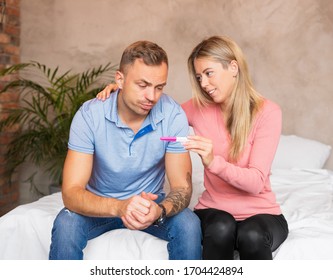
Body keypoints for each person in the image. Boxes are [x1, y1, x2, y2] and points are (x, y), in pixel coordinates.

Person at [97, 35, 289, 260]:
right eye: (199, 77)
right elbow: (158, 113)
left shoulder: (268, 112)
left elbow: (256, 182)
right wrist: (122, 92)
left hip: (262, 213)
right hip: (214, 211)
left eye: (209, 73)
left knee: (252, 235)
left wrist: (213, 162)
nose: (203, 84)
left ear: (233, 67)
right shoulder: (198, 108)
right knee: (221, 228)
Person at [49, 40, 202, 260]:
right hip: (101, 205)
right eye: (142, 85)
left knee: (189, 224)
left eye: (159, 87)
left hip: (150, 205)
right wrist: (120, 207)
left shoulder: (173, 115)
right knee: (66, 222)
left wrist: (160, 210)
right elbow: (71, 193)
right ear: (119, 79)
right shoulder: (90, 115)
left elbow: (182, 188)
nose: (152, 96)